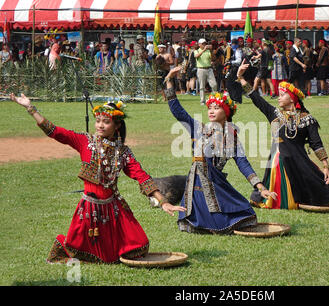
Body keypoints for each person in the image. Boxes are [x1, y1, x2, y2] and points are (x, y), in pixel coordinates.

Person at [9, 93, 184, 264]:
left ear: (117, 125)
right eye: (98, 121)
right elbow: (55, 131)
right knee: (79, 250)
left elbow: (141, 175)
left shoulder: (123, 152)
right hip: (89, 207)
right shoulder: (85, 141)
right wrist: (30, 108)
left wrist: (163, 202)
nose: (100, 125)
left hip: (113, 206)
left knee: (139, 247)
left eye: (105, 122)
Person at [163, 67, 274, 233]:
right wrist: (170, 81)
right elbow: (179, 113)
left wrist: (260, 187)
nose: (211, 111)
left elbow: (243, 164)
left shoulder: (232, 138)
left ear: (226, 112)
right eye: (210, 108)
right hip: (198, 181)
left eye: (216, 108)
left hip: (217, 182)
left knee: (246, 213)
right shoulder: (198, 128)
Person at [236, 60, 329, 209]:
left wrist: (326, 166)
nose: (278, 97)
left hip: (298, 160)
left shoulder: (307, 119)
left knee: (323, 188)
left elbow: (316, 143)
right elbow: (255, 98)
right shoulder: (274, 113)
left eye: (282, 95)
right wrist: (241, 78)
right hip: (277, 160)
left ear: (292, 98)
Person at [195, 38, 218, 105]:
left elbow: (213, 58)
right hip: (201, 69)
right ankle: (202, 101)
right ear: (199, 44)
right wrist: (204, 50)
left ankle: (214, 99)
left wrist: (211, 51)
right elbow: (196, 56)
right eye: (203, 44)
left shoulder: (208, 51)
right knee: (202, 86)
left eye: (205, 43)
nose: (204, 45)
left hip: (209, 69)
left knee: (214, 84)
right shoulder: (196, 50)